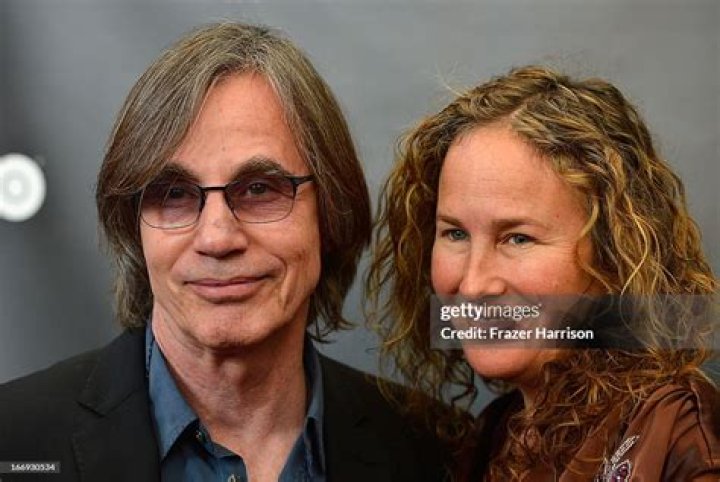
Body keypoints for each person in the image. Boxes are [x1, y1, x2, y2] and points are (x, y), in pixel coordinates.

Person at [0, 22, 448, 482]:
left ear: (330, 212)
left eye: (259, 189)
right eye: (174, 194)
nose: (216, 238)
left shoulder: (435, 452)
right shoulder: (12, 442)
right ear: (133, 229)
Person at [367, 65, 719, 481]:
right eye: (455, 233)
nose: (474, 285)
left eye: (518, 238)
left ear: (614, 252)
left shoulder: (679, 431)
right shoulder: (493, 436)